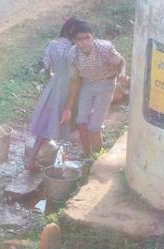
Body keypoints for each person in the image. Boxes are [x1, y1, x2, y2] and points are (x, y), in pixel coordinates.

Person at [61, 20, 128, 156]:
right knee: (81, 122)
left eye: (87, 37)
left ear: (93, 37)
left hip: (106, 84)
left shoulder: (104, 48)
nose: (84, 42)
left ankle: (98, 155)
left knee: (95, 126)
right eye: (80, 39)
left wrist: (122, 74)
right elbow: (75, 81)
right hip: (87, 84)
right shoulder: (72, 55)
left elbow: (121, 61)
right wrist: (68, 107)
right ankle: (87, 154)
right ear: (74, 41)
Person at [25, 17, 78, 171]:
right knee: (68, 122)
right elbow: (77, 73)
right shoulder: (74, 50)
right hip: (70, 87)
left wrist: (49, 84)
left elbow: (47, 67)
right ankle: (70, 158)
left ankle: (33, 159)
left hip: (54, 86)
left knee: (47, 123)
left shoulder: (52, 45)